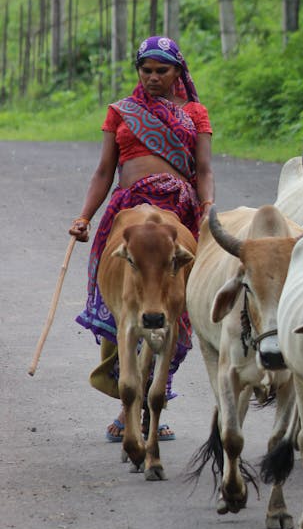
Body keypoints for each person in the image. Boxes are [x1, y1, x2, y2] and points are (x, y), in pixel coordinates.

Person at [69, 35, 215, 442]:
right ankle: (126, 406)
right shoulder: (121, 112)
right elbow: (103, 171)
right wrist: (85, 216)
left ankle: (156, 402)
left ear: (177, 73)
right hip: (127, 217)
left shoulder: (195, 113)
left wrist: (207, 209)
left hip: (178, 220)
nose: (153, 78)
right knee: (127, 306)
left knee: (172, 312)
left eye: (161, 70)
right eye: (146, 70)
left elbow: (203, 169)